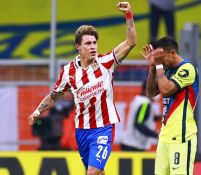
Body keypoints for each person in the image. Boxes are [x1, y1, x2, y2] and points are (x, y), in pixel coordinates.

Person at [27, 2, 136, 175]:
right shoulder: (68, 71)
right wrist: (38, 111)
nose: (93, 46)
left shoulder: (106, 62)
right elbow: (55, 95)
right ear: (78, 47)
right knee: (96, 171)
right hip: (82, 130)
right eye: (88, 43)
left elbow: (131, 42)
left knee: (92, 172)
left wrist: (128, 16)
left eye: (94, 42)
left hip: (103, 127)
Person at [142, 36, 199, 175]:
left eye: (161, 56)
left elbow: (166, 89)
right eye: (157, 57)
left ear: (172, 53)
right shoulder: (166, 69)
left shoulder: (188, 68)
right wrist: (153, 67)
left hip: (182, 136)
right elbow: (150, 92)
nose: (159, 59)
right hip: (165, 136)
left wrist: (159, 65)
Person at [120, 81, 159, 151]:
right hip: (134, 146)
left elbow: (142, 117)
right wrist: (156, 135)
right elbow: (139, 123)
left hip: (129, 143)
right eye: (157, 90)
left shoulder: (138, 100)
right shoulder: (145, 104)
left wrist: (156, 118)